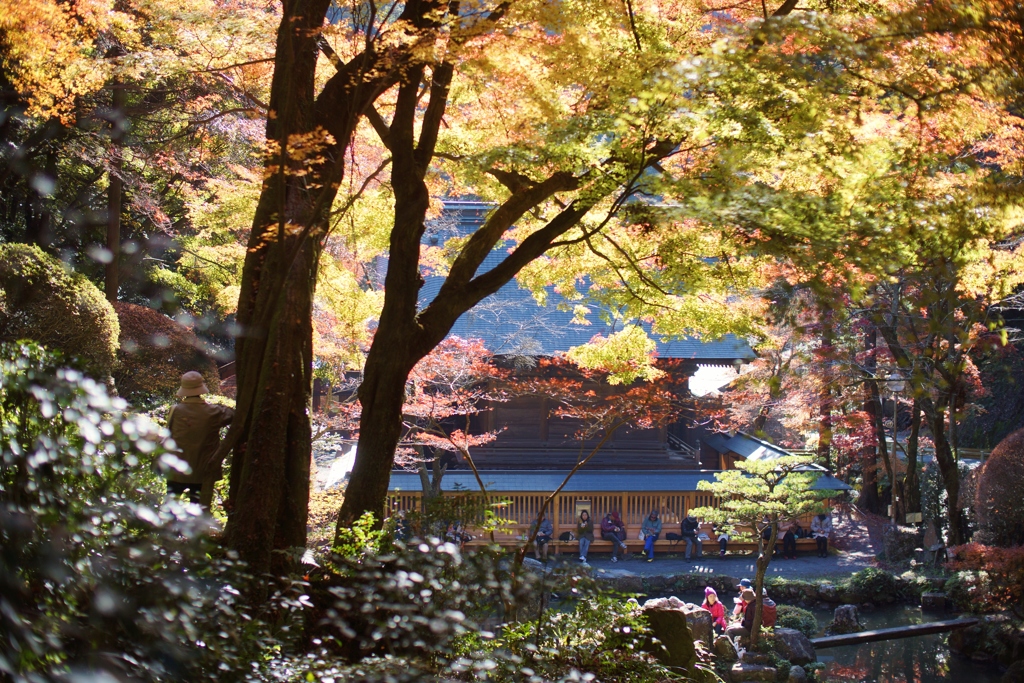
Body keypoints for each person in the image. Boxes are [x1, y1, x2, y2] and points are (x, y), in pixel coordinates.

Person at [165, 371, 234, 508]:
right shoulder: (214, 412)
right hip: (203, 471)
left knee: (170, 510)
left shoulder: (175, 410)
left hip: (176, 469)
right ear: (201, 388)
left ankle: (170, 529)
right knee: (197, 510)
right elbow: (233, 414)